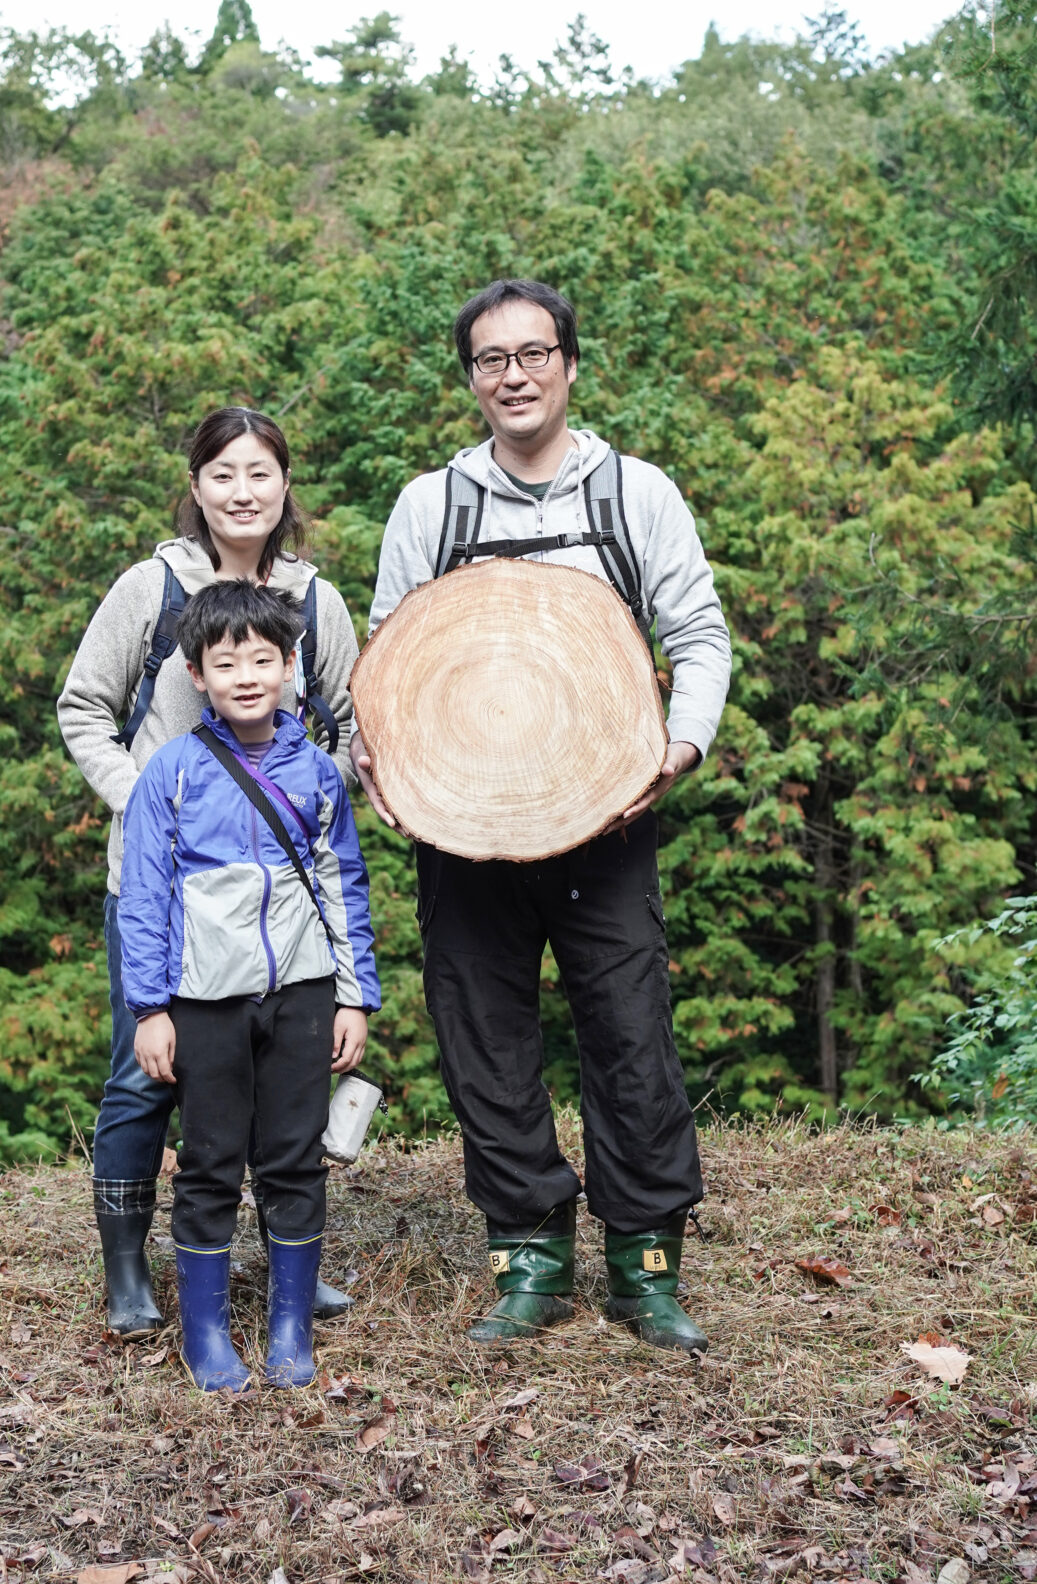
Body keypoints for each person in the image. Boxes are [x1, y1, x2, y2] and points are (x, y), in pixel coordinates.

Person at [353, 278, 731, 1351]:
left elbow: (697, 633)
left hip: (607, 813)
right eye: (489, 359)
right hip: (461, 824)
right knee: (485, 1036)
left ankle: (643, 1261)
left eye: (532, 352)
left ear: (569, 362)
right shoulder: (434, 504)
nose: (511, 374)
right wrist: (376, 758)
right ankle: (528, 1255)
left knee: (629, 1031)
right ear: (470, 378)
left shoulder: (635, 492)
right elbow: (385, 658)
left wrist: (679, 742)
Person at [57, 408, 361, 1339]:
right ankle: (126, 1271)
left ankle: (284, 1262)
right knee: (149, 1071)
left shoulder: (316, 603)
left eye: (260, 473)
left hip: (282, 904)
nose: (243, 491)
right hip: (164, 893)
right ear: (196, 488)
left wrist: (312, 800)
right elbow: (84, 708)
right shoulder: (151, 590)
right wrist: (147, 803)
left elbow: (352, 725)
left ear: (284, 485)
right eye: (223, 474)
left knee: (279, 1084)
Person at [120, 580, 380, 1391]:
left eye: (262, 659)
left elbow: (345, 886)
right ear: (195, 673)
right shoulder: (171, 772)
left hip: (302, 994)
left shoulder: (318, 776)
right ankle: (205, 1336)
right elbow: (144, 897)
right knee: (209, 1162)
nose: (244, 675)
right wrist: (150, 1008)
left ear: (291, 665)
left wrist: (353, 994)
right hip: (204, 1001)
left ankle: (290, 1328)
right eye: (224, 661)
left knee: (294, 1161)